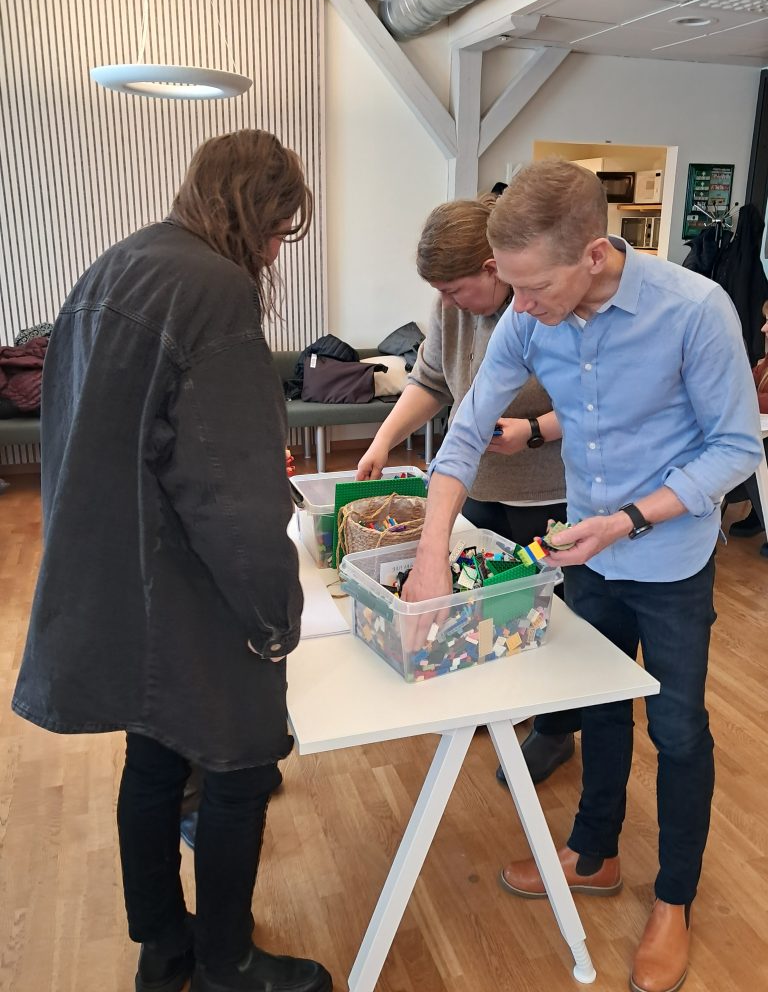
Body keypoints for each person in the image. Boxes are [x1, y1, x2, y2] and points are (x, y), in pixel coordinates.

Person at [401, 160, 763, 992]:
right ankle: (593, 853)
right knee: (597, 709)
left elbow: (737, 447)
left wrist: (631, 519)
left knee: (674, 730)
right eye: (510, 289)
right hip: (584, 549)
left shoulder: (696, 311)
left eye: (533, 288)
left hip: (667, 558)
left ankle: (673, 900)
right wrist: (431, 555)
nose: (518, 309)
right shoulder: (530, 319)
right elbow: (465, 430)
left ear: (595, 254)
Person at [12, 130, 332, 992]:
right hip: (187, 581)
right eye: (278, 231)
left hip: (114, 571)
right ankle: (227, 960)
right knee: (240, 764)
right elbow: (228, 486)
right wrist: (274, 613)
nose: (274, 252)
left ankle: (164, 939)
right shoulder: (216, 290)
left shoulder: (117, 264)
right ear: (256, 213)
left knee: (154, 759)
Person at [356, 195, 578, 784]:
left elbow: (593, 406)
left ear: (492, 267)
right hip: (476, 487)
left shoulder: (547, 307)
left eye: (454, 289)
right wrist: (381, 441)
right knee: (479, 605)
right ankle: (491, 699)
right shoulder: (452, 309)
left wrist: (533, 431)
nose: (446, 302)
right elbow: (431, 383)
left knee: (548, 618)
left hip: (548, 494)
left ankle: (553, 730)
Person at [724, 302, 768, 556]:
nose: (762, 328)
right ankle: (758, 510)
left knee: (750, 454)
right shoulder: (764, 365)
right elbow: (739, 385)